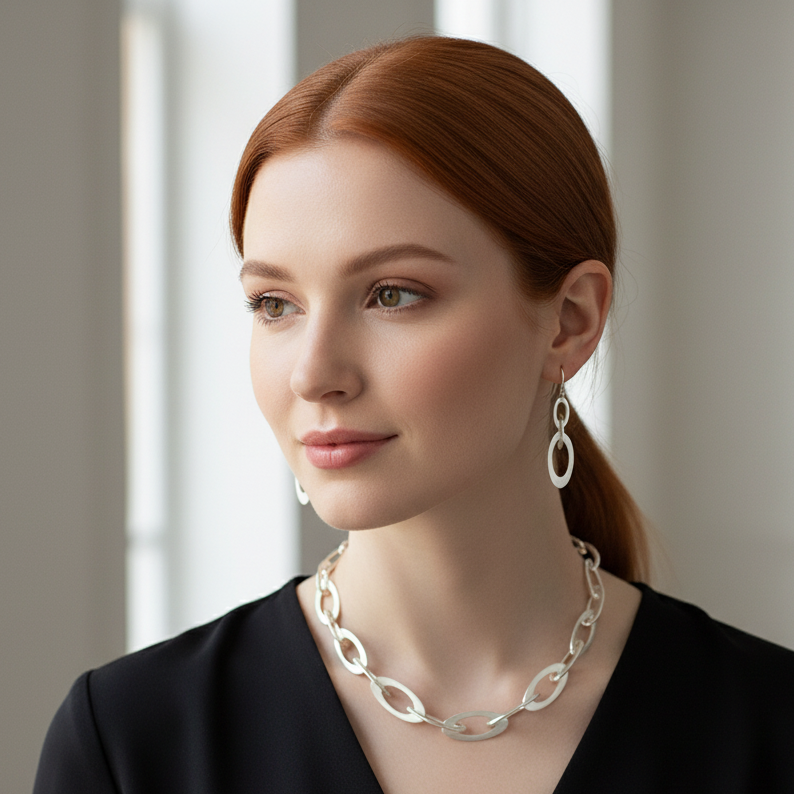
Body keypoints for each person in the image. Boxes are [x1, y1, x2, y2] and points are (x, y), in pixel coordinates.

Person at [34, 36, 794, 793]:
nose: (313, 372)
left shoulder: (769, 729)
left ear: (568, 320)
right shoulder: (131, 741)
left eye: (392, 293)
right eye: (275, 305)